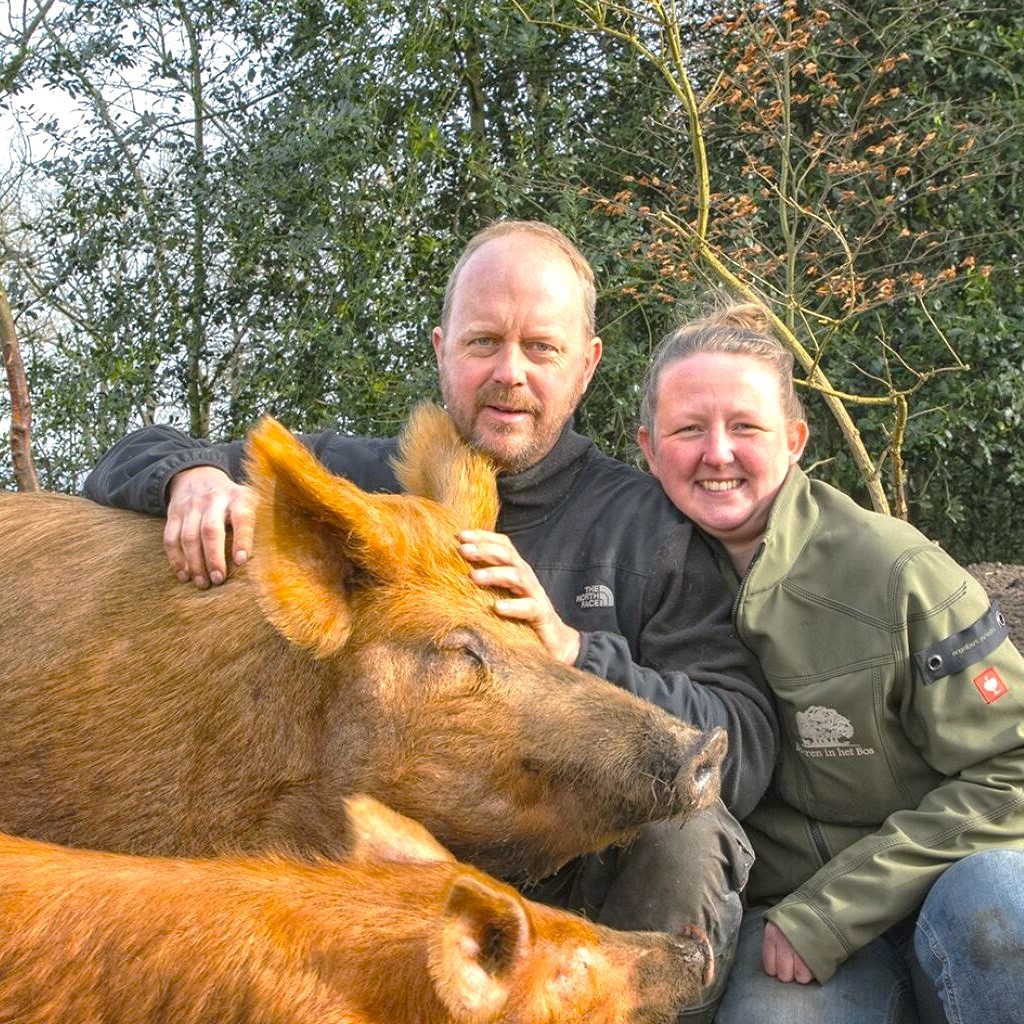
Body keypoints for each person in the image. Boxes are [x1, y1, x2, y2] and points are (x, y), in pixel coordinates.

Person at [82, 220, 778, 1022]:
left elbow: (745, 744)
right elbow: (135, 452)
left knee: (682, 832)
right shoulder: (365, 486)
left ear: (585, 366)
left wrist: (577, 648)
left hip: (591, 868)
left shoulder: (649, 529)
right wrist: (191, 479)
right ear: (443, 348)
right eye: (484, 342)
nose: (509, 373)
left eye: (541, 349)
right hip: (404, 869)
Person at [636, 299, 1024, 1023]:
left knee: (1008, 911)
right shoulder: (638, 591)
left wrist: (836, 910)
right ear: (648, 449)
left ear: (795, 439)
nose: (716, 452)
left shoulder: (896, 570)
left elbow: (1014, 768)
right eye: (689, 429)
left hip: (944, 880)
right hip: (781, 919)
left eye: (745, 427)